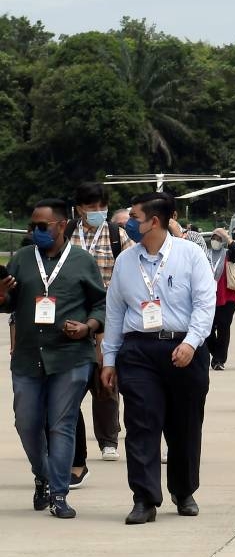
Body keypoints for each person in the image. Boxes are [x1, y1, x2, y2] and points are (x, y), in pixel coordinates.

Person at [100, 191, 215, 524]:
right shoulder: (125, 260)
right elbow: (115, 313)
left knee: (185, 425)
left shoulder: (190, 254)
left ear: (154, 221)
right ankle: (144, 498)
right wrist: (109, 359)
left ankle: (184, 490)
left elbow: (205, 305)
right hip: (139, 352)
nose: (129, 224)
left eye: (134, 218)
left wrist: (192, 343)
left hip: (184, 348)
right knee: (141, 422)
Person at [0, 198, 106, 519]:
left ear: (62, 225)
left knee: (62, 424)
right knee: (27, 423)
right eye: (32, 225)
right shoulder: (20, 259)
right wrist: (2, 295)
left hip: (70, 356)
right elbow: (8, 305)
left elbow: (100, 304)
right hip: (29, 356)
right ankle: (42, 474)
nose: (35, 231)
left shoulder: (81, 261)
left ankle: (59, 494)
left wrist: (87, 326)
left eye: (41, 226)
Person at [68, 182, 132, 476]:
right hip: (71, 315)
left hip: (108, 315)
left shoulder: (117, 235)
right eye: (91, 207)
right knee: (71, 381)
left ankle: (108, 438)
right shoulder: (68, 233)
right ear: (79, 208)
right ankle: (69, 438)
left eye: (101, 207)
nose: (97, 212)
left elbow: (130, 271)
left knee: (106, 379)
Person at [206, 228, 235, 369]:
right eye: (214, 237)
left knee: (223, 328)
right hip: (208, 298)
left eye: (219, 238)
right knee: (207, 330)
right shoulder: (205, 254)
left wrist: (227, 237)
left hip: (227, 297)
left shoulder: (228, 254)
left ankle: (219, 360)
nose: (216, 240)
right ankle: (216, 352)